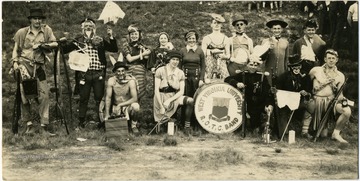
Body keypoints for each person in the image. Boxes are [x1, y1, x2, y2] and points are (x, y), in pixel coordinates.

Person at [61, 17, 118, 130]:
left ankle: (101, 121)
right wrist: (64, 41)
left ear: (94, 28)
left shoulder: (100, 40)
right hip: (84, 74)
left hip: (98, 73)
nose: (88, 28)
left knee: (99, 98)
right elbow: (65, 49)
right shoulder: (78, 41)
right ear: (82, 28)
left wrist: (111, 36)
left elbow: (114, 48)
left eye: (90, 26)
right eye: (86, 26)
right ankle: (81, 122)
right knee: (83, 98)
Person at [11, 8, 58, 136]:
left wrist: (43, 45)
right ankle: (29, 125)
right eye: (35, 18)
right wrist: (15, 62)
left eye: (39, 19)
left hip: (39, 67)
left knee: (44, 95)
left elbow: (55, 43)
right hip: (25, 66)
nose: (37, 21)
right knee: (24, 96)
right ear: (30, 19)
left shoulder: (47, 30)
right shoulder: (22, 32)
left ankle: (44, 126)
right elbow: (15, 49)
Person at [303, 49, 351, 143]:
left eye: (333, 58)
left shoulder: (340, 76)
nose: (331, 60)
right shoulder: (315, 70)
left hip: (331, 103)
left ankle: (336, 134)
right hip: (316, 102)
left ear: (337, 60)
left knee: (347, 111)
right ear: (325, 59)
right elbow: (306, 84)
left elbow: (339, 94)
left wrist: (344, 100)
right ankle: (305, 130)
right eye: (329, 58)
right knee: (323, 135)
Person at [224, 60, 274, 134]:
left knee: (267, 113)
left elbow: (267, 92)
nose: (253, 67)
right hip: (249, 102)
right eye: (251, 65)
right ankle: (254, 127)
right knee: (253, 118)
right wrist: (237, 83)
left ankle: (266, 128)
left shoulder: (262, 76)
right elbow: (227, 79)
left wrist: (269, 104)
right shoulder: (243, 75)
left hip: (260, 101)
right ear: (247, 65)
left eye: (255, 65)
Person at [153, 50, 194, 135]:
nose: (175, 62)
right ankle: (163, 124)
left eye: (177, 60)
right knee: (162, 124)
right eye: (173, 59)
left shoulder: (180, 73)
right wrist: (161, 106)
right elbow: (156, 90)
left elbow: (181, 91)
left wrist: (169, 100)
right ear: (169, 59)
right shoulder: (160, 70)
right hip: (161, 97)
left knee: (190, 101)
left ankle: (187, 127)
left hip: (174, 97)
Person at [275, 54, 313, 139]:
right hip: (287, 101)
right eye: (294, 67)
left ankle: (305, 131)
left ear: (301, 66)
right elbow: (279, 91)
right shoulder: (284, 77)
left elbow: (309, 90)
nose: (296, 69)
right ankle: (284, 133)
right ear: (290, 68)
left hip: (300, 102)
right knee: (282, 109)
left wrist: (306, 93)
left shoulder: (305, 77)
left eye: (298, 67)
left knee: (311, 105)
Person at [102, 61, 141, 134]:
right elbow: (108, 97)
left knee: (136, 106)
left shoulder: (131, 80)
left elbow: (135, 98)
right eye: (118, 71)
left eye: (123, 71)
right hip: (116, 106)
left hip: (127, 105)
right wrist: (107, 114)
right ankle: (119, 124)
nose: (121, 73)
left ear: (125, 71)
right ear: (115, 72)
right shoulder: (111, 80)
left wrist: (121, 105)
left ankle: (133, 125)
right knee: (114, 126)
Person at [179, 30, 205, 132]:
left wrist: (201, 79)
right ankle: (185, 124)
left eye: (193, 38)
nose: (191, 40)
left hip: (196, 78)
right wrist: (180, 79)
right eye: (189, 38)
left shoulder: (200, 51)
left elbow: (203, 66)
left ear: (196, 39)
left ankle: (196, 123)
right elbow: (179, 66)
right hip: (185, 78)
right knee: (186, 99)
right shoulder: (182, 50)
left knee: (197, 99)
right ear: (186, 40)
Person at [122, 25, 151, 100]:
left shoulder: (142, 46)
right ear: (129, 35)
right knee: (129, 89)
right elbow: (130, 59)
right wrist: (142, 54)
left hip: (140, 71)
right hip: (129, 70)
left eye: (136, 34)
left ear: (139, 35)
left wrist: (144, 51)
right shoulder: (126, 46)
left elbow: (146, 57)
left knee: (140, 90)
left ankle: (136, 109)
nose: (134, 36)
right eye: (132, 34)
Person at [201, 14, 231, 80]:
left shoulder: (226, 39)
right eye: (215, 23)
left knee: (226, 80)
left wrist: (223, 56)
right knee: (208, 81)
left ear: (221, 25)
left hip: (221, 63)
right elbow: (203, 55)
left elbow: (228, 55)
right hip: (209, 63)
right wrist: (211, 52)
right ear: (211, 25)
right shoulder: (206, 38)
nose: (217, 25)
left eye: (219, 23)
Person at [262, 19, 289, 86]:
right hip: (269, 71)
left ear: (282, 29)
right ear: (271, 29)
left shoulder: (285, 42)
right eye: (274, 29)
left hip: (281, 72)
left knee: (280, 91)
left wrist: (285, 72)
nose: (276, 30)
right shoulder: (266, 41)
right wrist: (268, 49)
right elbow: (262, 58)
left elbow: (286, 59)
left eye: (278, 28)